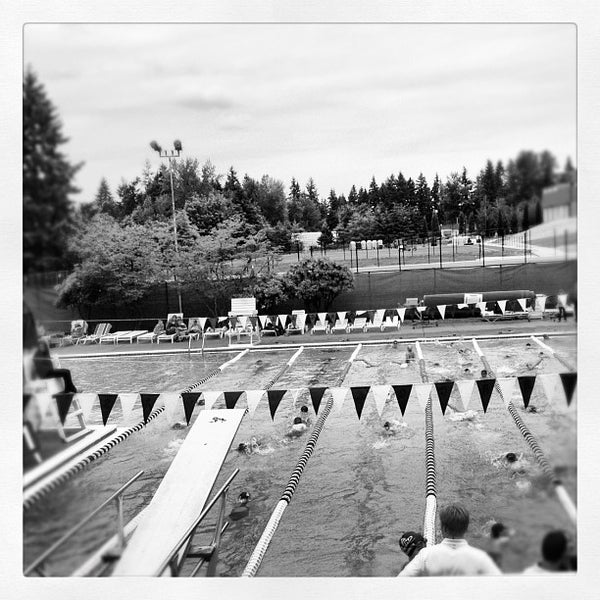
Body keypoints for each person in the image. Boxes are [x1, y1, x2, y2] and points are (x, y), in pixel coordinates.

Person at [398, 503, 502, 576]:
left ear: (443, 529)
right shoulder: (481, 558)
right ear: (466, 529)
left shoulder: (425, 555)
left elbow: (399, 583)